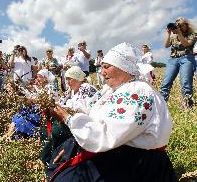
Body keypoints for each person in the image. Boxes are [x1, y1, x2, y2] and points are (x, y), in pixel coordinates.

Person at [48, 42, 176, 182]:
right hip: (117, 151)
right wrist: (66, 110)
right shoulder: (113, 90)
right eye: (102, 67)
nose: (102, 72)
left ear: (124, 67)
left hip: (137, 162)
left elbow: (107, 134)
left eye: (106, 67)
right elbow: (89, 107)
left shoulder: (138, 91)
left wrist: (68, 119)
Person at [40, 66, 97, 171]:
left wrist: (71, 112)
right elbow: (59, 103)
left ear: (77, 78)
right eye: (66, 79)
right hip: (66, 120)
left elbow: (92, 109)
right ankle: (48, 154)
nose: (68, 82)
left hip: (80, 123)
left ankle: (46, 159)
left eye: (70, 78)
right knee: (46, 127)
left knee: (56, 131)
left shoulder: (87, 89)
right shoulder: (68, 92)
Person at [160, 17, 196, 108]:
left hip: (187, 58)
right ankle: (161, 107)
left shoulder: (193, 34)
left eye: (180, 25)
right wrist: (168, 34)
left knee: (185, 83)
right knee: (166, 83)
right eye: (177, 25)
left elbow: (186, 44)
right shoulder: (173, 36)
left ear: (186, 25)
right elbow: (166, 45)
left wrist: (179, 33)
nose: (178, 27)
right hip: (173, 59)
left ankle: (188, 107)